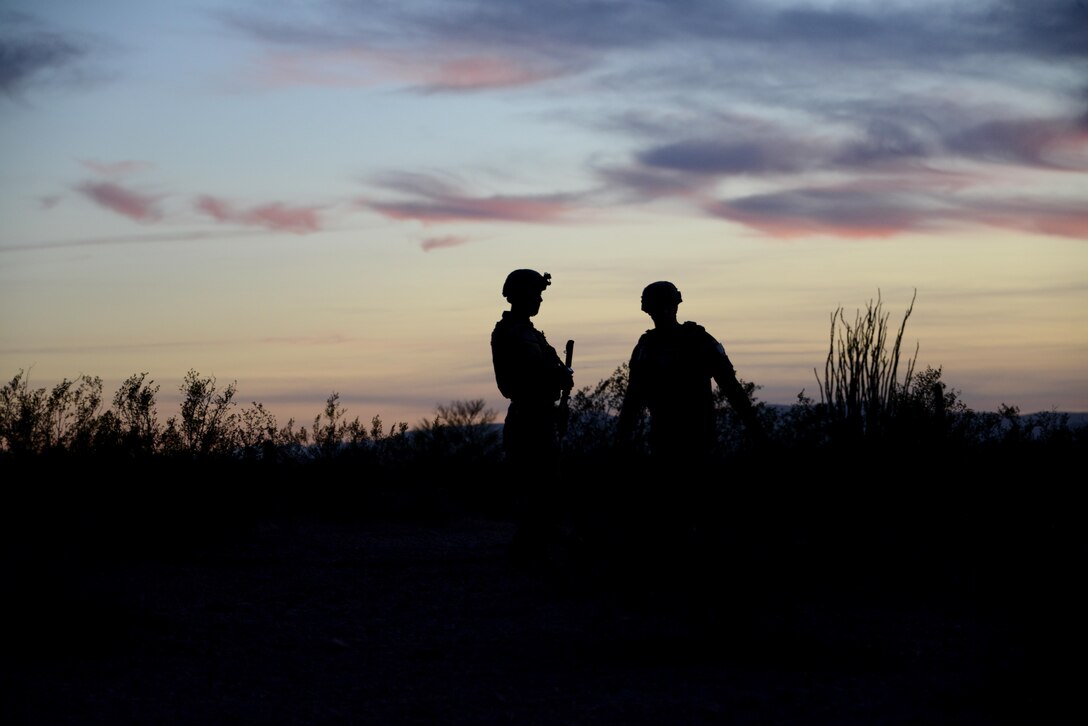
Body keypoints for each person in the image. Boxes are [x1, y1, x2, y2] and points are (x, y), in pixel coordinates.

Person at [616, 280, 761, 468]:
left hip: (698, 439)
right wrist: (622, 438)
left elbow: (730, 387)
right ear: (649, 310)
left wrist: (754, 427)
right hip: (664, 440)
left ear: (675, 306)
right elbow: (633, 400)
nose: (662, 312)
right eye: (657, 308)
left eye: (667, 306)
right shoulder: (646, 347)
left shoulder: (698, 340)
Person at [490, 269, 574, 565]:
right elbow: (529, 373)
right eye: (535, 293)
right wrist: (559, 375)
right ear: (521, 295)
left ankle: (536, 542)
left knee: (545, 482)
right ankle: (530, 546)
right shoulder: (514, 332)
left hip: (539, 412)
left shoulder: (529, 332)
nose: (539, 299)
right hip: (529, 414)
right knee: (539, 481)